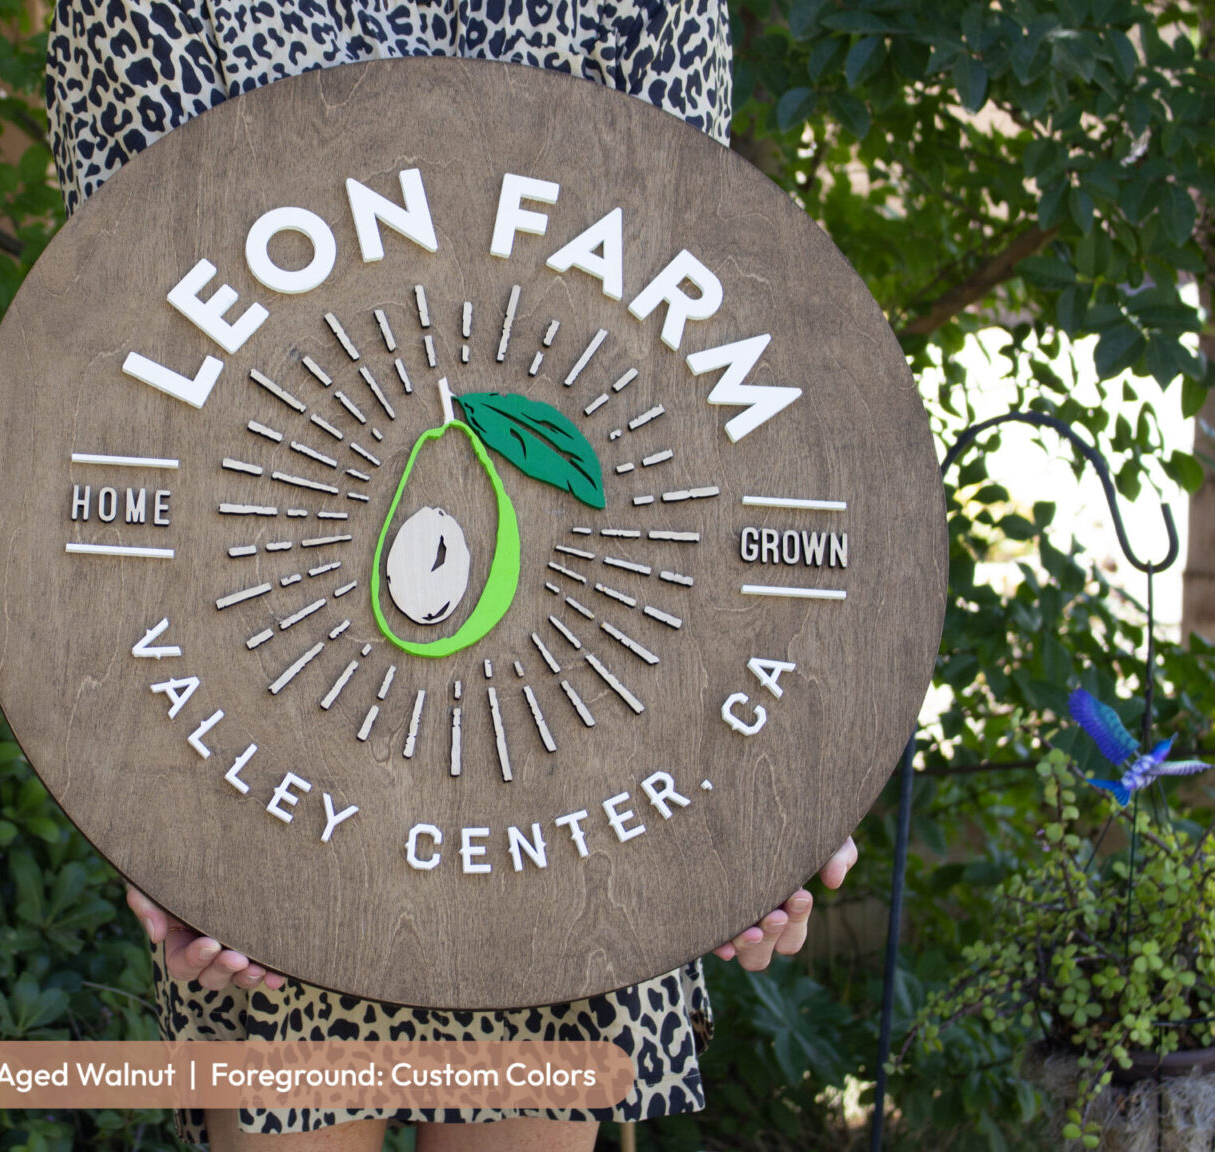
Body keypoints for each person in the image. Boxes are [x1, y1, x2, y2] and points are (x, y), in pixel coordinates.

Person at [45, 2, 858, 1147]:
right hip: (269, 755)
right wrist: (153, 812)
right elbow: (123, 381)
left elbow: (679, 371)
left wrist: (768, 786)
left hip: (556, 770)